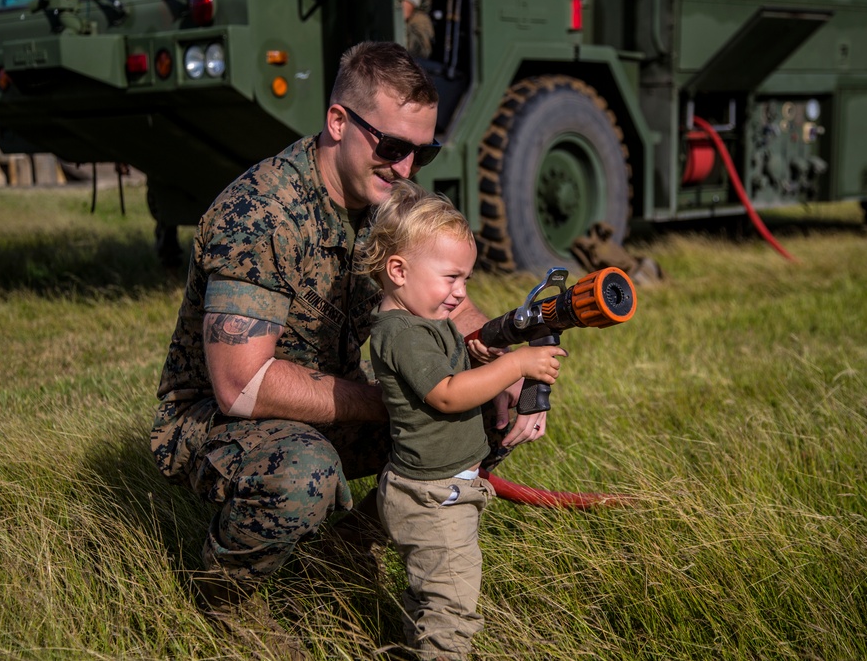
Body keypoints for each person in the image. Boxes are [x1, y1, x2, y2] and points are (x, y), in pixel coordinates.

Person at [148, 40, 550, 649]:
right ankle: (222, 596)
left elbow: (450, 298)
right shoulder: (260, 213)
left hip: (332, 400)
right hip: (215, 420)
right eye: (392, 147)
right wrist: (399, 400)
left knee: (483, 412)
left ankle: (347, 548)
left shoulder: (391, 201)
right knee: (304, 472)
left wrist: (503, 369)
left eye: (424, 150)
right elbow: (242, 385)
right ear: (339, 122)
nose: (407, 168)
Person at [354, 180, 566, 660]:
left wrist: (476, 357)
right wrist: (513, 366)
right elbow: (446, 397)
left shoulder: (423, 321)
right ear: (398, 270)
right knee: (453, 610)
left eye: (466, 280)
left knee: (428, 596)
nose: (460, 293)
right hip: (433, 499)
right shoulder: (402, 334)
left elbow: (450, 375)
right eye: (451, 278)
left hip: (439, 489)